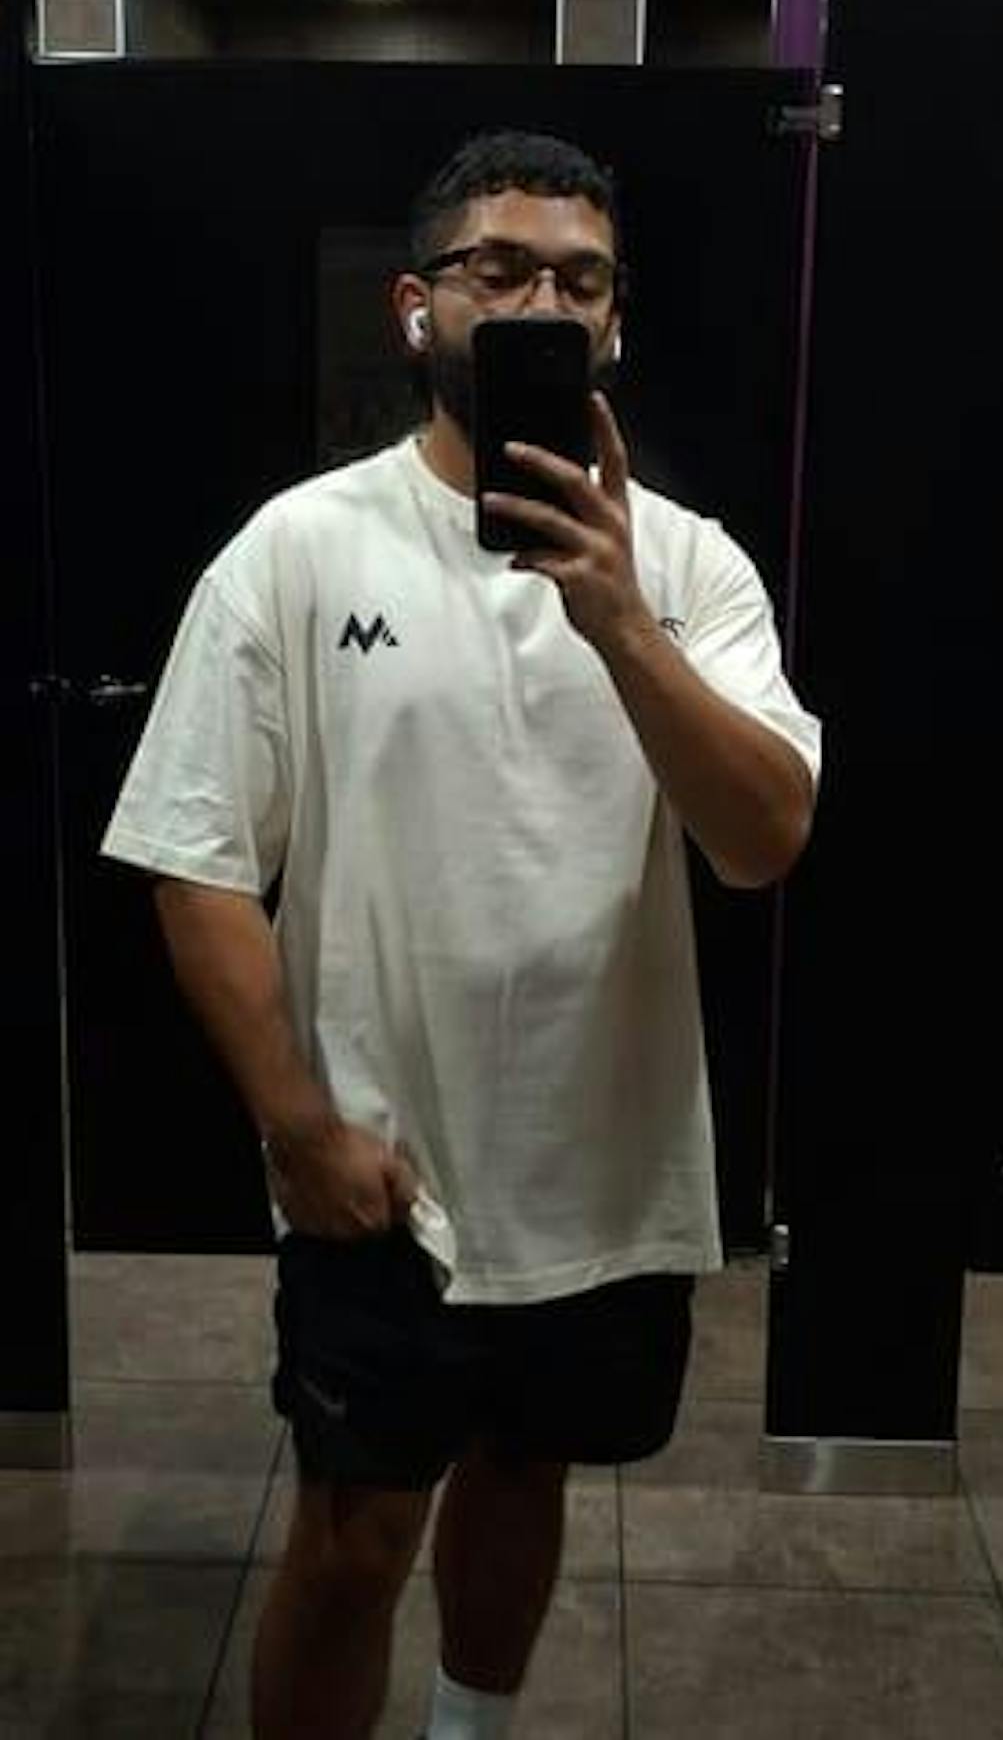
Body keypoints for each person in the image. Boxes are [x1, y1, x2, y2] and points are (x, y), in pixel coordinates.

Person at [102, 130, 821, 1740]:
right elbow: (195, 862)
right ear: (418, 306)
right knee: (355, 1535)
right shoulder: (298, 549)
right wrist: (294, 1124)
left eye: (581, 279)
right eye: (500, 269)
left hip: (603, 1169)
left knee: (523, 1474)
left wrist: (617, 620)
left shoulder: (689, 564)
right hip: (382, 1171)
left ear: (614, 324)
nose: (542, 301)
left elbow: (764, 836)